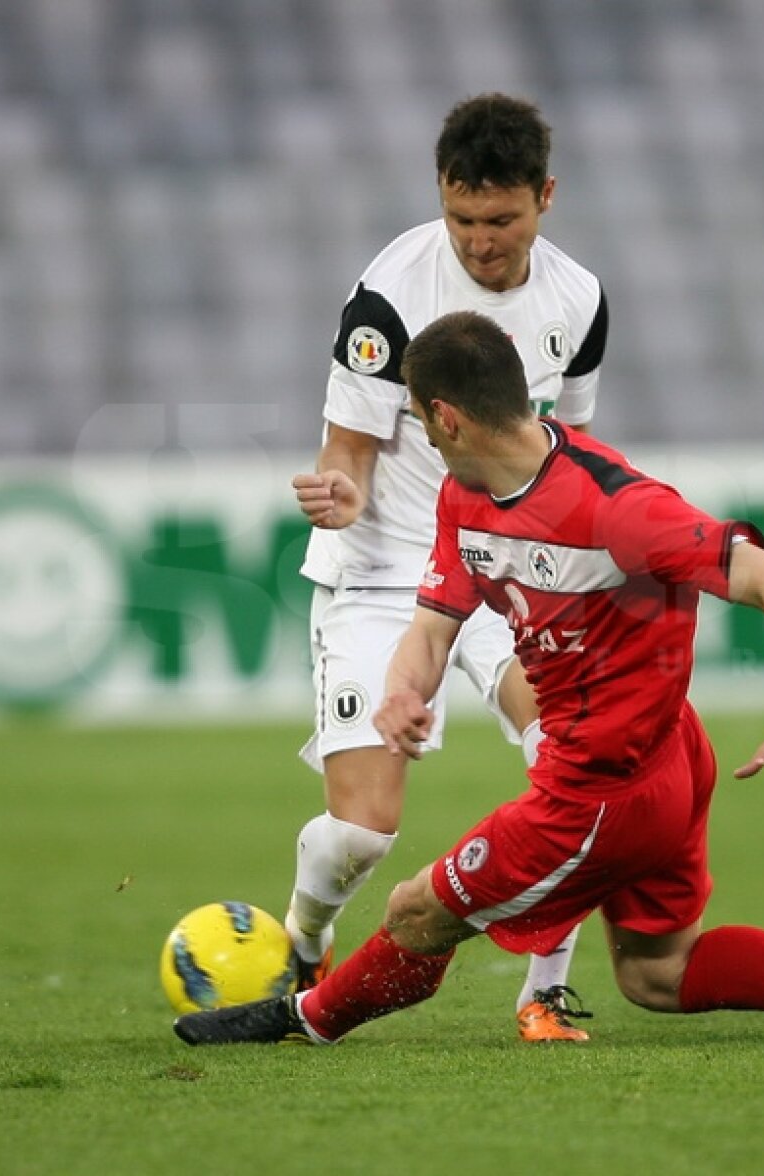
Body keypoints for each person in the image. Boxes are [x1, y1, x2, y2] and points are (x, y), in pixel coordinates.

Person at [176, 311, 764, 1048]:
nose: (424, 443)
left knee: (415, 913)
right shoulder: (463, 496)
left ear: (447, 415)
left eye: (422, 426)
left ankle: (306, 1017)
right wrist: (408, 689)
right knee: (657, 973)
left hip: (597, 798)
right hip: (667, 760)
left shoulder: (618, 509)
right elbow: (434, 624)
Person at [283, 93, 609, 1042]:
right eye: (463, 219)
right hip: (385, 571)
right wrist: (339, 494)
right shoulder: (390, 290)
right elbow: (347, 452)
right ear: (441, 196)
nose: (481, 242)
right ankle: (307, 938)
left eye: (502, 220)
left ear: (545, 197)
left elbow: (569, 451)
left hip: (507, 575)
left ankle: (543, 993)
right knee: (360, 837)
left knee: (568, 755)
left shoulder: (578, 300)